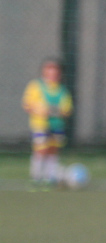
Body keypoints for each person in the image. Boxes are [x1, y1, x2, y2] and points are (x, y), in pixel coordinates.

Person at [22, 59, 73, 188]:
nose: (52, 73)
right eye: (49, 69)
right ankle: (36, 176)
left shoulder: (62, 90)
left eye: (55, 70)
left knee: (53, 150)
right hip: (40, 125)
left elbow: (67, 109)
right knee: (41, 149)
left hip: (56, 125)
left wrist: (53, 110)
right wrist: (38, 109)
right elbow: (27, 104)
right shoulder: (36, 86)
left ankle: (50, 177)